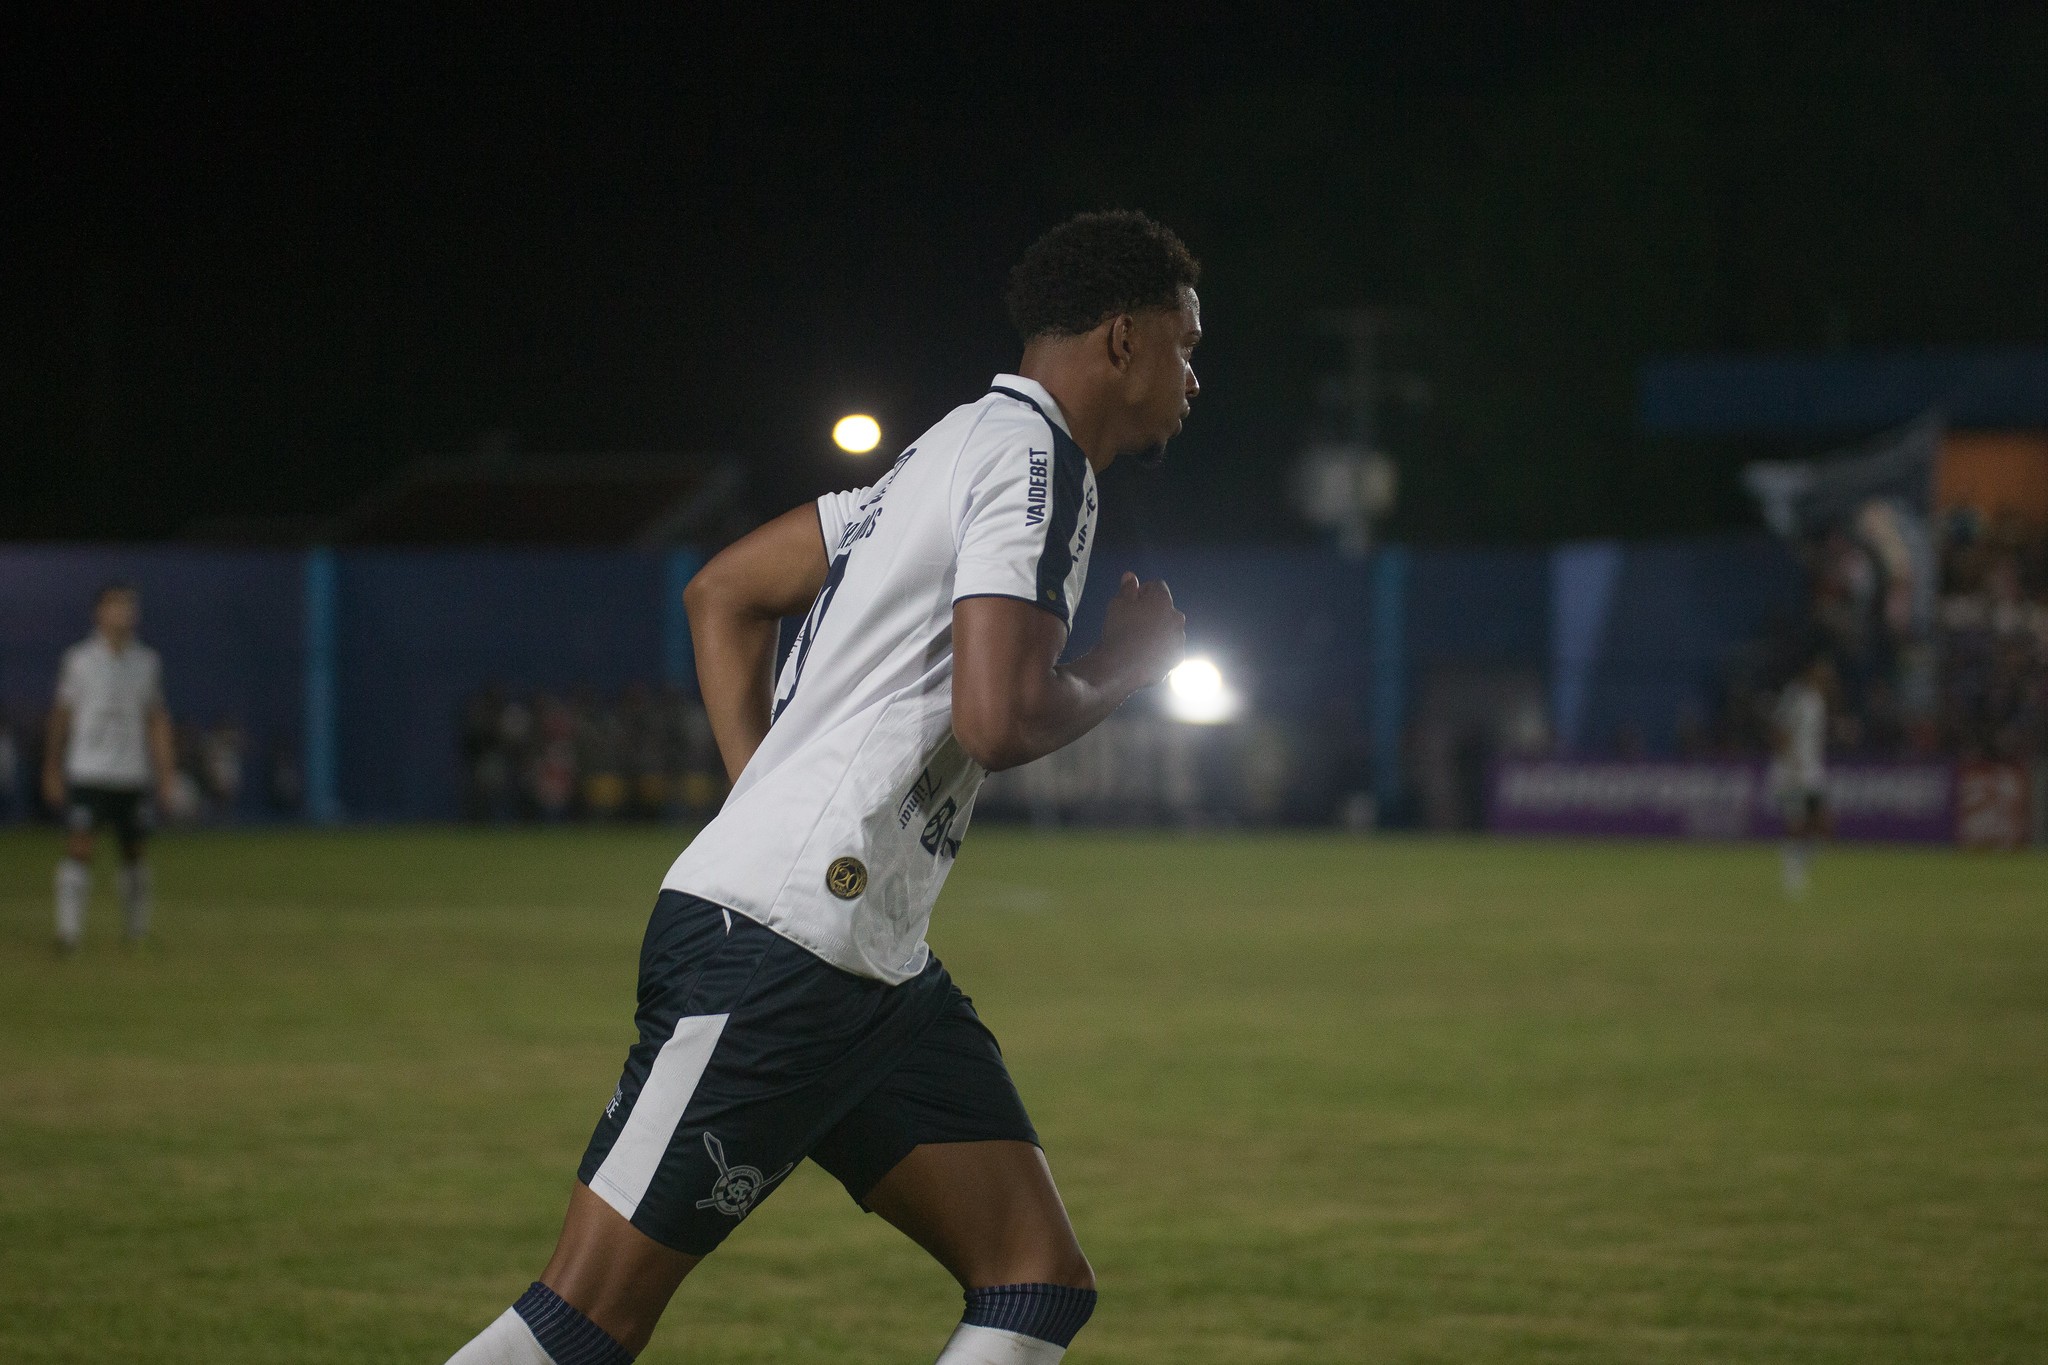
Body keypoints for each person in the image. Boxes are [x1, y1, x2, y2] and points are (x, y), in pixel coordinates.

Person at [442, 210, 1200, 1365]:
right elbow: (993, 721)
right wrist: (1121, 669)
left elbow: (723, 593)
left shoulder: (947, 447)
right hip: (781, 951)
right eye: (1185, 345)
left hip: (869, 965)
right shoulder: (1035, 461)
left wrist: (764, 794)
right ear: (1120, 339)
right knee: (582, 1322)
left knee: (1034, 1282)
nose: (1193, 374)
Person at [43, 583, 177, 951]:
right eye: (116, 607)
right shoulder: (80, 659)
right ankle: (68, 934)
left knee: (134, 851)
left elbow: (157, 719)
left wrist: (166, 775)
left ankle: (135, 933)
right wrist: (51, 768)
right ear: (99, 612)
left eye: (129, 607)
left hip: (131, 773)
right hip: (88, 770)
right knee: (79, 847)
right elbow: (62, 714)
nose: (124, 615)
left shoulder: (146, 661)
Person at [1769, 654, 1833, 895]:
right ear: (1810, 671)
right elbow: (1780, 730)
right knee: (1795, 822)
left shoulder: (1818, 700)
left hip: (1812, 768)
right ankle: (1792, 875)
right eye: (1822, 671)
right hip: (1792, 769)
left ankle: (1798, 865)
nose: (1826, 676)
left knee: (1824, 824)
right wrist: (1788, 759)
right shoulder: (1795, 696)